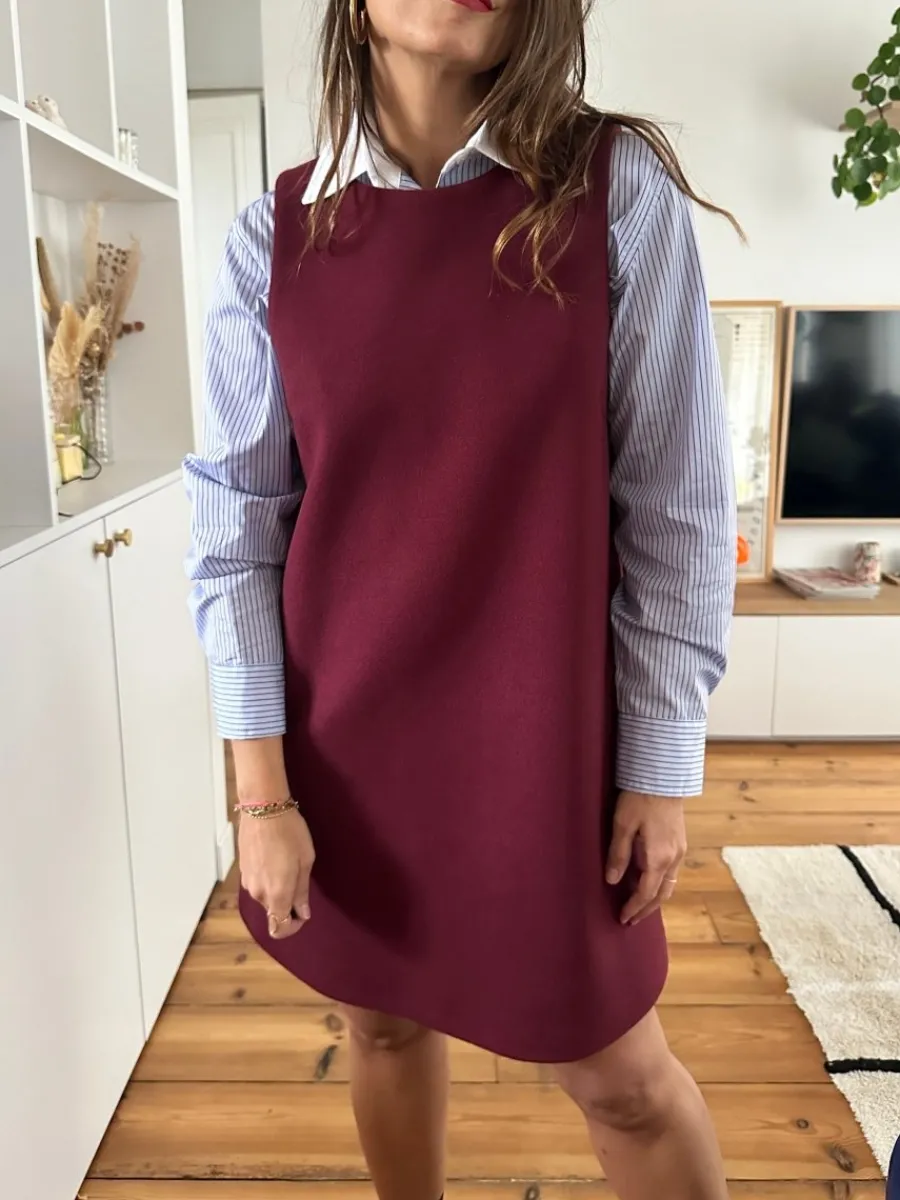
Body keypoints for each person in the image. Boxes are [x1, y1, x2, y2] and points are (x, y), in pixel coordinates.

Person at [185, 1, 737, 1198]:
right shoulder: (269, 239)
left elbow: (679, 507)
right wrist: (260, 794)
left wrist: (659, 767)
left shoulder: (616, 192)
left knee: (625, 1083)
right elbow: (236, 535)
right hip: (343, 750)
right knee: (380, 1025)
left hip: (549, 747)